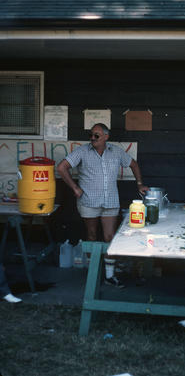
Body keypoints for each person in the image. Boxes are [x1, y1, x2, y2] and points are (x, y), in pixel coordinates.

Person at [57, 123, 148, 288]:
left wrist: (140, 184)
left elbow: (133, 164)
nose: (92, 138)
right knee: (91, 236)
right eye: (91, 135)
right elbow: (62, 167)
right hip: (88, 202)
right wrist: (74, 187)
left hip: (110, 200)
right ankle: (94, 274)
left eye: (96, 135)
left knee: (109, 237)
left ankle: (109, 275)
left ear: (106, 137)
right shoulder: (82, 151)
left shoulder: (116, 152)